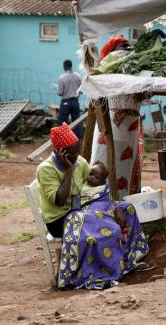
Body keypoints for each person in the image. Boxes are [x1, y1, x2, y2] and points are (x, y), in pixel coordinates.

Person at [37, 123, 150, 290]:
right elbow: (60, 200)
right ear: (60, 152)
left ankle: (128, 259)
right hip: (60, 219)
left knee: (127, 208)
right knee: (103, 221)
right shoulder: (46, 169)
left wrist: (114, 206)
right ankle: (103, 269)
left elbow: (95, 187)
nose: (77, 155)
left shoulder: (80, 162)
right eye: (72, 152)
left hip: (83, 209)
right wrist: (68, 169)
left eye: (77, 150)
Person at [91, 35, 146, 199]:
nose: (127, 49)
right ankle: (101, 202)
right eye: (122, 46)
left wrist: (143, 93)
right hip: (111, 126)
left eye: (128, 46)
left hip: (131, 128)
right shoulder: (106, 71)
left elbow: (137, 96)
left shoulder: (136, 71)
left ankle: (124, 205)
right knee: (105, 163)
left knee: (126, 169)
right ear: (111, 52)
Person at [57, 59, 82, 138]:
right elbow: (80, 91)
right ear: (71, 66)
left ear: (64, 67)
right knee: (76, 122)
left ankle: (63, 139)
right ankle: (76, 141)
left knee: (63, 122)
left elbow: (60, 93)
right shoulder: (78, 76)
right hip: (75, 102)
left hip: (65, 102)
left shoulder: (61, 78)